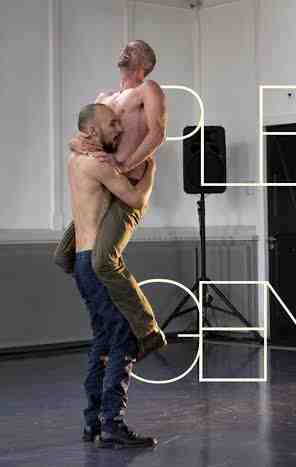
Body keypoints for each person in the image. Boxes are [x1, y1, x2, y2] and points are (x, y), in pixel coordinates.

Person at [54, 40, 168, 360]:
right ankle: (107, 310)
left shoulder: (148, 89)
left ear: (145, 62)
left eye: (134, 48)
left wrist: (124, 164)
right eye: (125, 46)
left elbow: (157, 133)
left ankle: (147, 331)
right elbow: (84, 134)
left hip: (127, 186)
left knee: (103, 259)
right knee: (65, 256)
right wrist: (75, 145)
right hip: (101, 190)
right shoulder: (104, 98)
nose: (125, 50)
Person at [71, 103, 157, 447]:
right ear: (92, 131)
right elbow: (135, 199)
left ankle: (93, 423)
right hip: (98, 264)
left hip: (83, 260)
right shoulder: (97, 164)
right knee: (125, 337)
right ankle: (112, 424)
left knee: (103, 340)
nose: (119, 129)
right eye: (112, 124)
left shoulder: (77, 159)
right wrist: (151, 168)